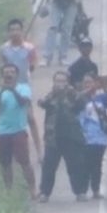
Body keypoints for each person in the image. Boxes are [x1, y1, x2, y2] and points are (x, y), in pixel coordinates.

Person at [37, 69, 88, 201]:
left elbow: (81, 104)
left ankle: (80, 192)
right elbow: (42, 103)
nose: (60, 84)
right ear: (54, 82)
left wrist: (72, 92)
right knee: (49, 166)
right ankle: (44, 193)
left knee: (75, 165)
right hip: (53, 137)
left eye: (63, 81)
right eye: (58, 81)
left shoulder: (72, 94)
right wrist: (54, 94)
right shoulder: (51, 95)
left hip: (71, 136)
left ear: (67, 82)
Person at [0, 63, 40, 191]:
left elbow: (23, 102)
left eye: (12, 72)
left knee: (25, 162)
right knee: (5, 163)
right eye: (6, 72)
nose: (9, 74)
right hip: (2, 131)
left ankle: (32, 189)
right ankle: (9, 190)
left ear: (17, 75)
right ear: (2, 75)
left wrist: (13, 90)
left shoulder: (24, 88)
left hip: (19, 130)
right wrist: (3, 90)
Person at [77, 73, 107, 200]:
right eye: (85, 82)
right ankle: (82, 191)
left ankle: (96, 190)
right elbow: (75, 103)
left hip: (99, 136)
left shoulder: (101, 98)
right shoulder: (80, 98)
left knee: (97, 164)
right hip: (85, 135)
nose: (88, 85)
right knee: (85, 164)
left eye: (90, 82)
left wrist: (104, 87)